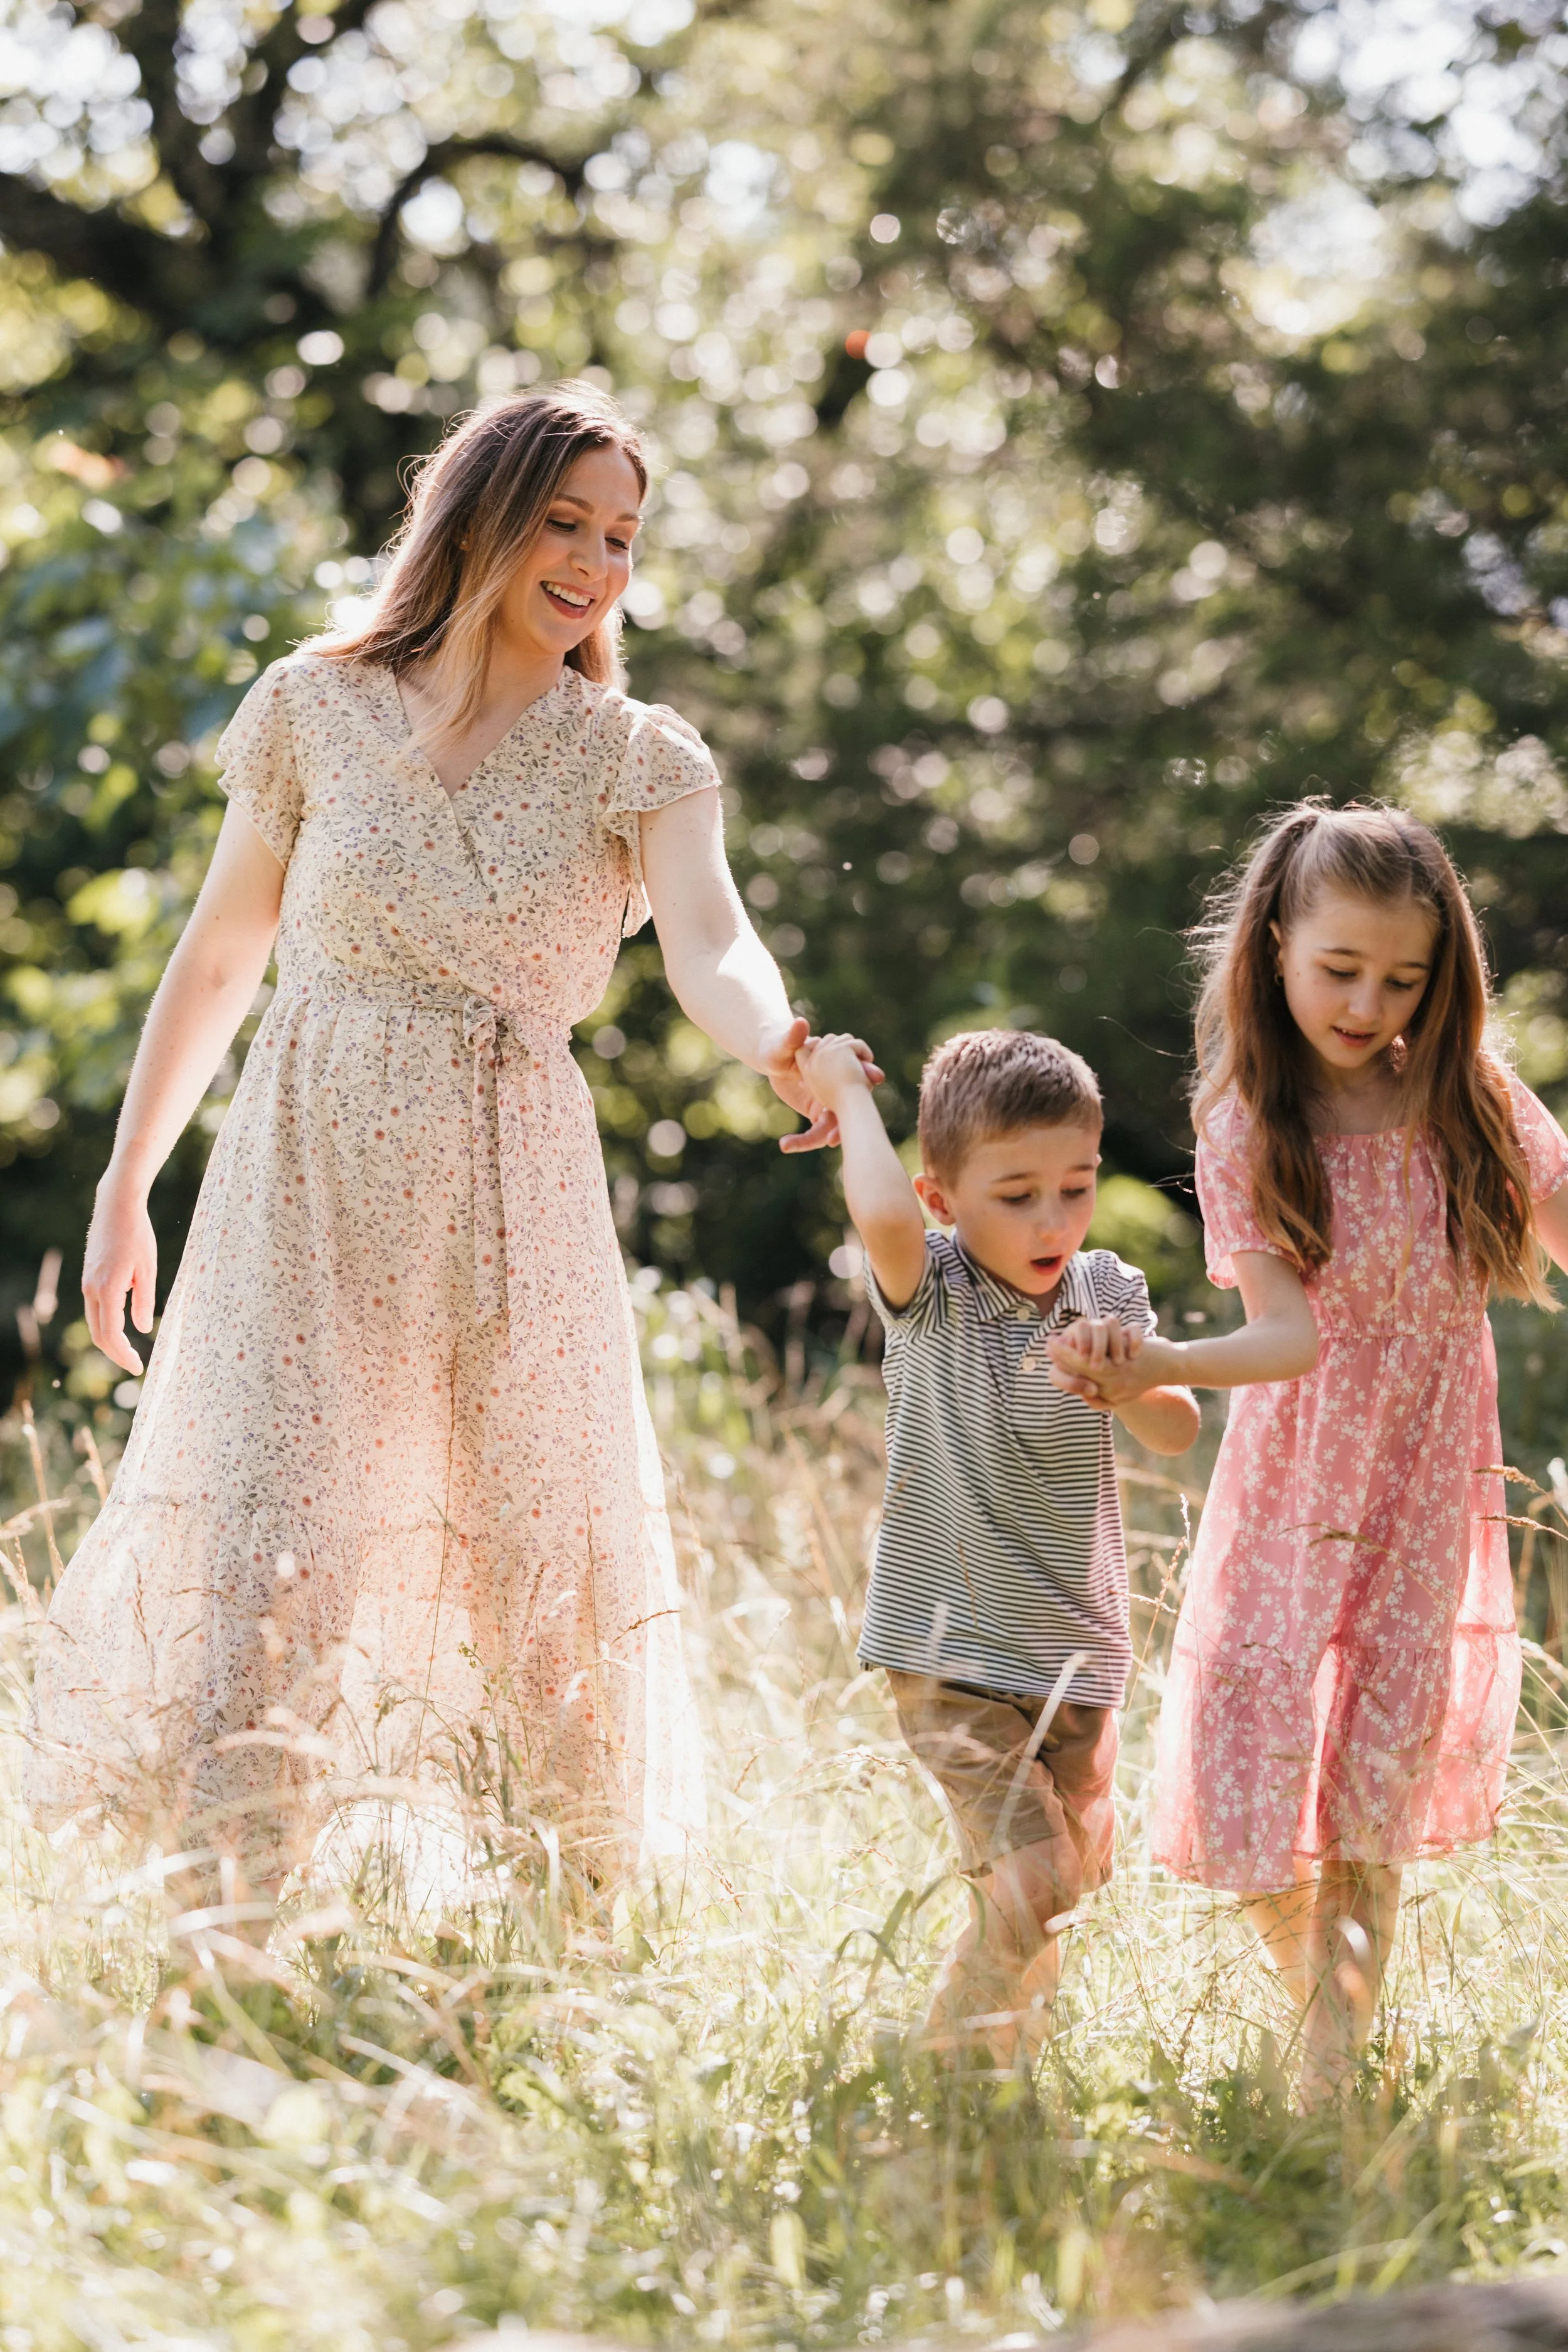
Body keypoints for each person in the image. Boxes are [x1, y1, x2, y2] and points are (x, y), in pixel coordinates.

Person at [24, 381, 867, 1899]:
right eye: (563, 522)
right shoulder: (311, 707)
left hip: (509, 1179)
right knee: (286, 1528)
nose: (596, 565)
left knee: (531, 1531)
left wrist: (782, 1048)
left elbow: (713, 943)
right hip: (305, 1172)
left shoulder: (638, 755)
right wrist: (126, 1182)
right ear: (474, 512)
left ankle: (573, 1909)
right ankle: (231, 1912)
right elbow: (219, 955)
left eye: (620, 537)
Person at [1046, 802, 1568, 2105]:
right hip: (1297, 1478)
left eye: (1401, 978)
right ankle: (1323, 2023)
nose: (1365, 1002)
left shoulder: (1470, 1097)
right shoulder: (1246, 1120)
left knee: (1372, 1770)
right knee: (1261, 1751)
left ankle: (1337, 2057)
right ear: (1275, 941)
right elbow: (1280, 1337)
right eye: (1338, 968)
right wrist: (1158, 1365)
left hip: (1424, 1474)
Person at [795, 1025, 1199, 2062]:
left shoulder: (1104, 1289)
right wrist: (841, 1083)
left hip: (1079, 1656)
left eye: (1076, 1185)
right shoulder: (933, 1285)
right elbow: (877, 1206)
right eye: (1016, 1194)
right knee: (1035, 1878)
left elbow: (1179, 1426)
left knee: (1064, 1883)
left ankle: (1000, 2071)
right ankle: (930, 2062)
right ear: (944, 1198)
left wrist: (1131, 1377)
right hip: (952, 1653)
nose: (1053, 1217)